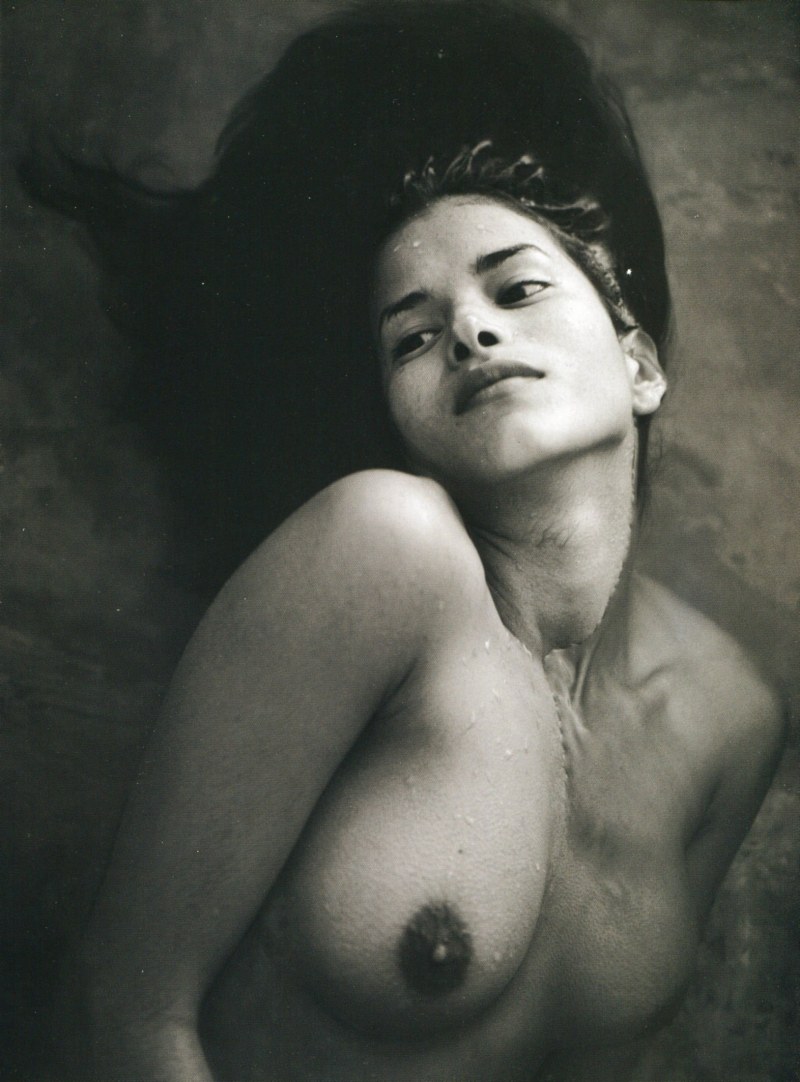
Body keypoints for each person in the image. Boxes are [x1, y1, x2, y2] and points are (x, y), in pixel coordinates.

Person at [42, 3, 784, 1079]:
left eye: (516, 287)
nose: (471, 332)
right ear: (402, 419)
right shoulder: (383, 549)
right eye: (413, 335)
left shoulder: (731, 716)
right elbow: (119, 1006)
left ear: (639, 363)